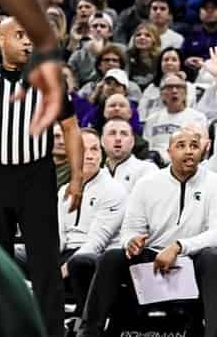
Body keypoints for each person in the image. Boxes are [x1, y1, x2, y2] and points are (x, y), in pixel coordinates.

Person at [0, 16, 80, 337]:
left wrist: (77, 177)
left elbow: (70, 128)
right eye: (19, 36)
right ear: (1, 40)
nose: (28, 42)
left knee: (45, 264)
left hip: (36, 178)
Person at [77, 128, 217, 337]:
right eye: (181, 146)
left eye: (194, 146)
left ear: (202, 151)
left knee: (213, 257)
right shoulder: (146, 185)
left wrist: (179, 247)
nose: (189, 151)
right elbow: (130, 230)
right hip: (153, 258)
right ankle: (89, 333)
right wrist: (131, 242)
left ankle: (215, 335)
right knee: (111, 257)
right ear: (168, 152)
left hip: (194, 259)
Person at [60, 129, 127, 314]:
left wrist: (62, 268)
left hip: (96, 256)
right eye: (83, 149)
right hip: (66, 252)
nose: (89, 155)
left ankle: (84, 322)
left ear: (102, 155)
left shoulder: (115, 191)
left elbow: (97, 242)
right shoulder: (63, 191)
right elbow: (58, 237)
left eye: (95, 149)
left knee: (79, 263)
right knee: (12, 252)